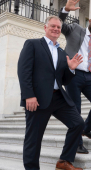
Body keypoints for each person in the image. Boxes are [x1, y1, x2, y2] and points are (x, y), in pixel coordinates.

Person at [18, 16, 84, 170]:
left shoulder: (62, 52)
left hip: (58, 97)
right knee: (33, 138)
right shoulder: (33, 44)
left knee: (78, 123)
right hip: (38, 99)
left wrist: (71, 68)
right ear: (45, 27)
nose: (56, 29)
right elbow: (23, 71)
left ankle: (64, 161)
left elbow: (64, 81)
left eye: (58, 27)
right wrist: (29, 95)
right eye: (53, 26)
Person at [58, 0, 91, 154]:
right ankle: (77, 144)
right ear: (89, 21)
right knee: (75, 109)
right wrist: (64, 10)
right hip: (74, 74)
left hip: (90, 77)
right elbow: (60, 25)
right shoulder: (76, 29)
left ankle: (86, 129)